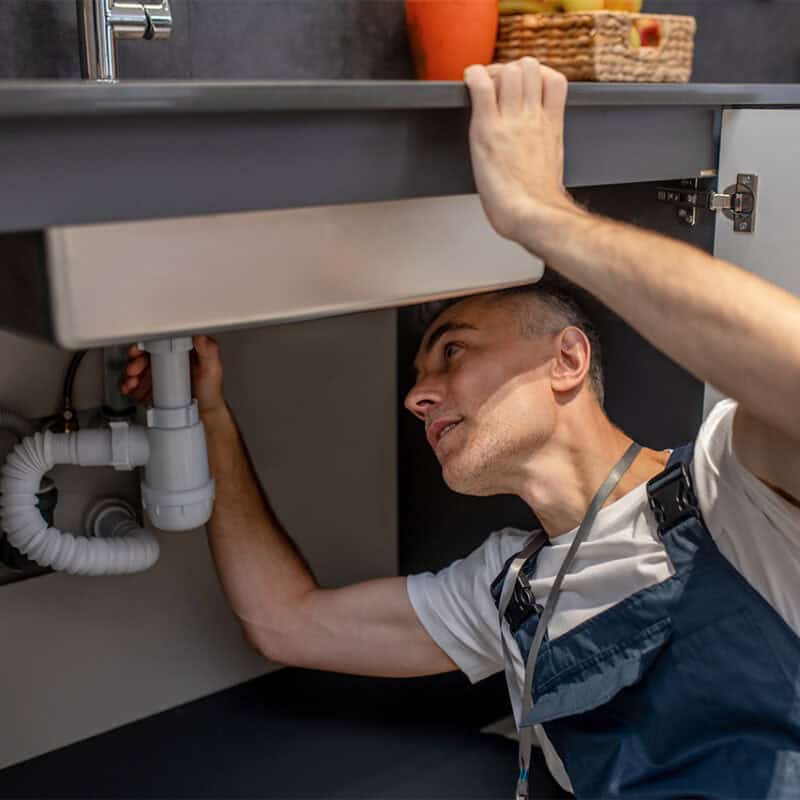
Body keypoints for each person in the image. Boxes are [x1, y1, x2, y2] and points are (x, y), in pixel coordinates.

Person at [121, 59, 800, 798]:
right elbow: (285, 623)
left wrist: (539, 214)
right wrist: (210, 414)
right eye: (418, 376)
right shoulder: (504, 592)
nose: (418, 396)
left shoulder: (732, 490)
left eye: (453, 350)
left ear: (567, 360)